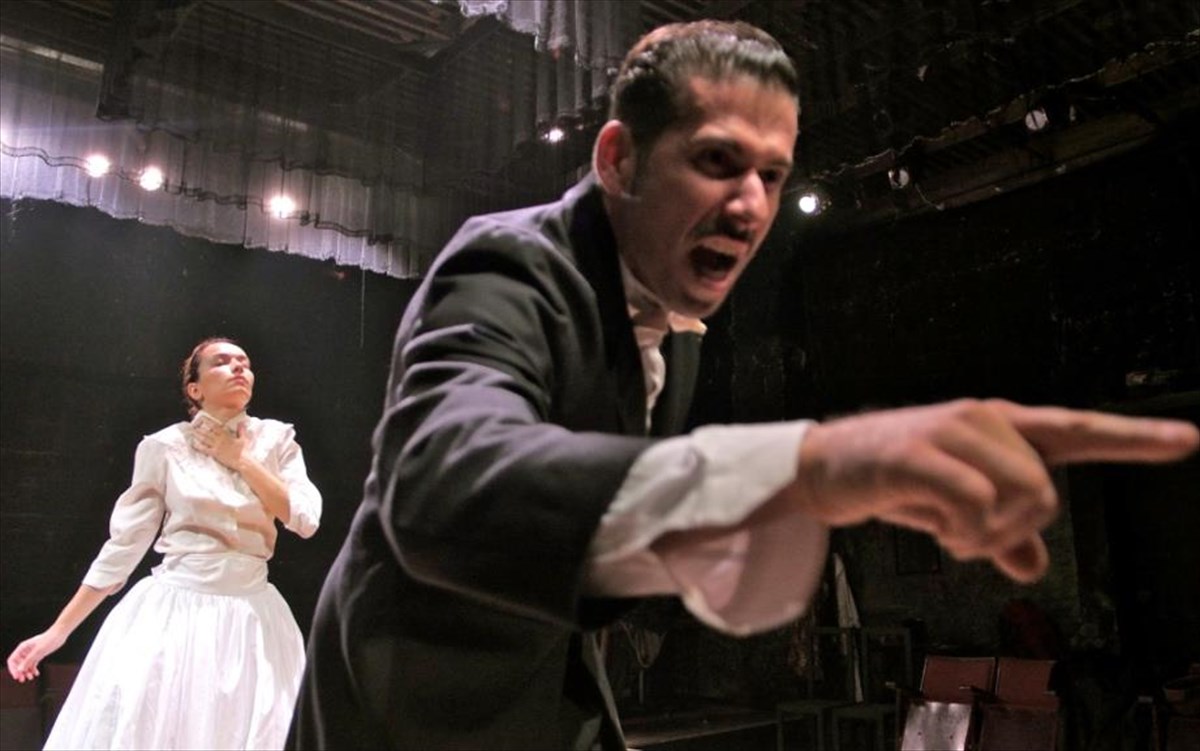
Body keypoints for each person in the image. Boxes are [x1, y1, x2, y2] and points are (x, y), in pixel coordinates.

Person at [287, 20, 1198, 751]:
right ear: (618, 159)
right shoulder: (506, 265)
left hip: (554, 691)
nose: (752, 205)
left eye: (771, 174)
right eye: (718, 161)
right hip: (419, 701)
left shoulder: (680, 332)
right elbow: (443, 483)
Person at [7, 337, 322, 750]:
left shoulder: (276, 440)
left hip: (253, 615)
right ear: (195, 388)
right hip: (178, 610)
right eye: (222, 362)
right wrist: (56, 632)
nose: (238, 368)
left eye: (244, 363)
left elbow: (305, 519)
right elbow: (123, 548)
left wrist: (240, 458)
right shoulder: (164, 446)